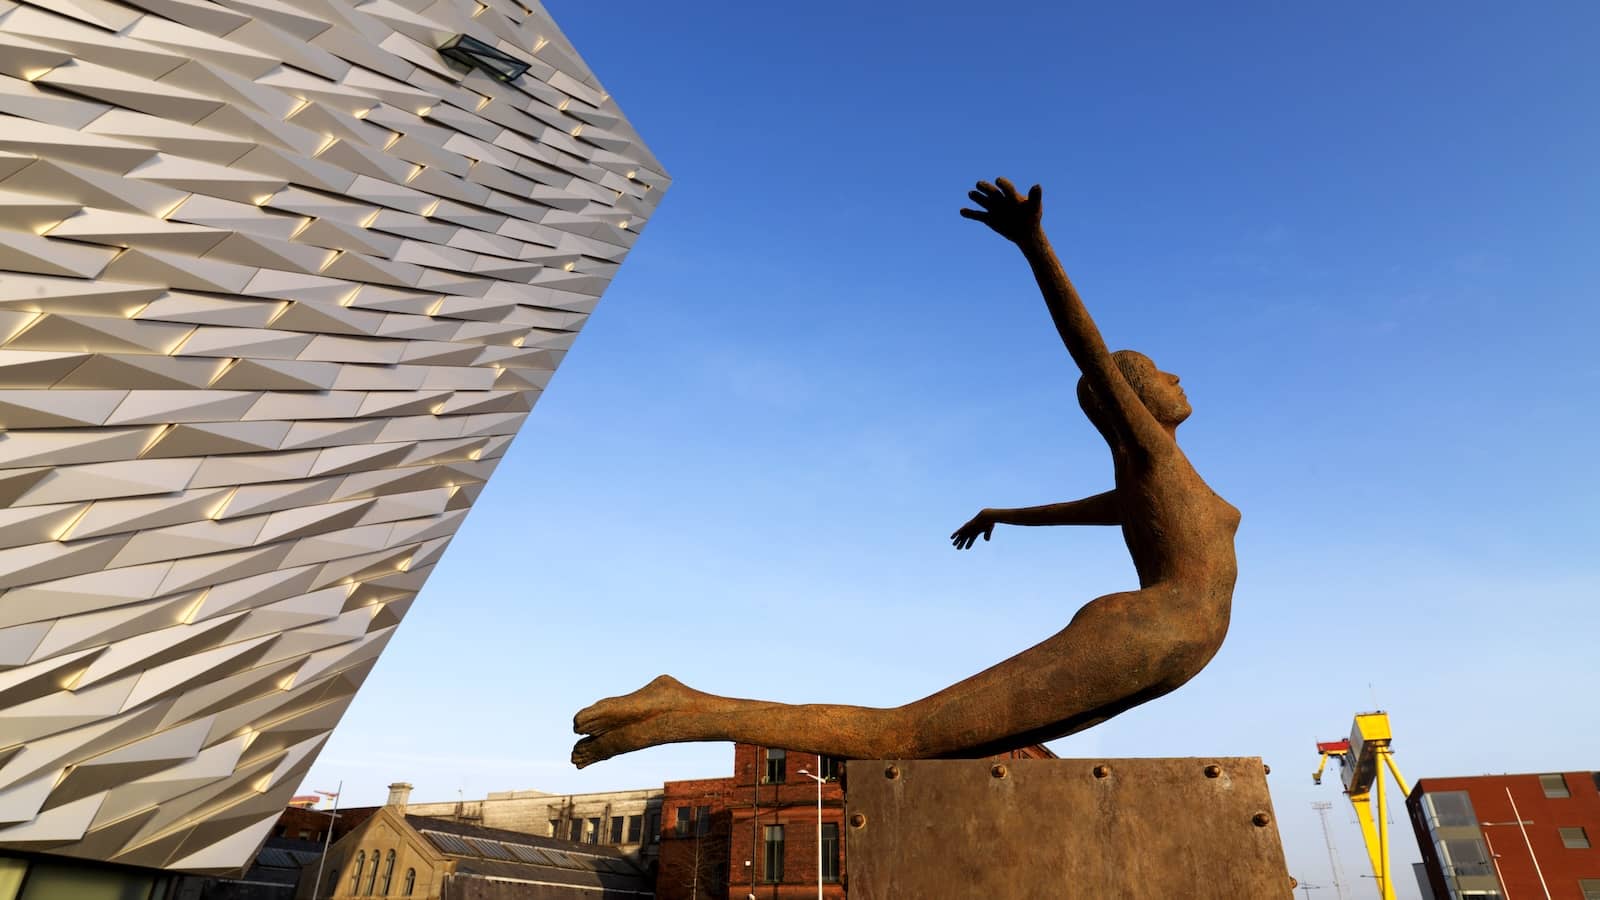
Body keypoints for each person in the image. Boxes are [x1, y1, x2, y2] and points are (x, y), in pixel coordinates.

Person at [572, 178, 1239, 767]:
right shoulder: (1149, 454)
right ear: (1129, 402)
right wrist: (1036, 247)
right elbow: (1088, 349)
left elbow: (1089, 511)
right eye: (1154, 373)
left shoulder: (1154, 482)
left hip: (1177, 651)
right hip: (1152, 632)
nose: (1175, 376)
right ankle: (685, 707)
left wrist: (1003, 514)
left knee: (951, 750)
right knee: (908, 735)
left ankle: (685, 704)